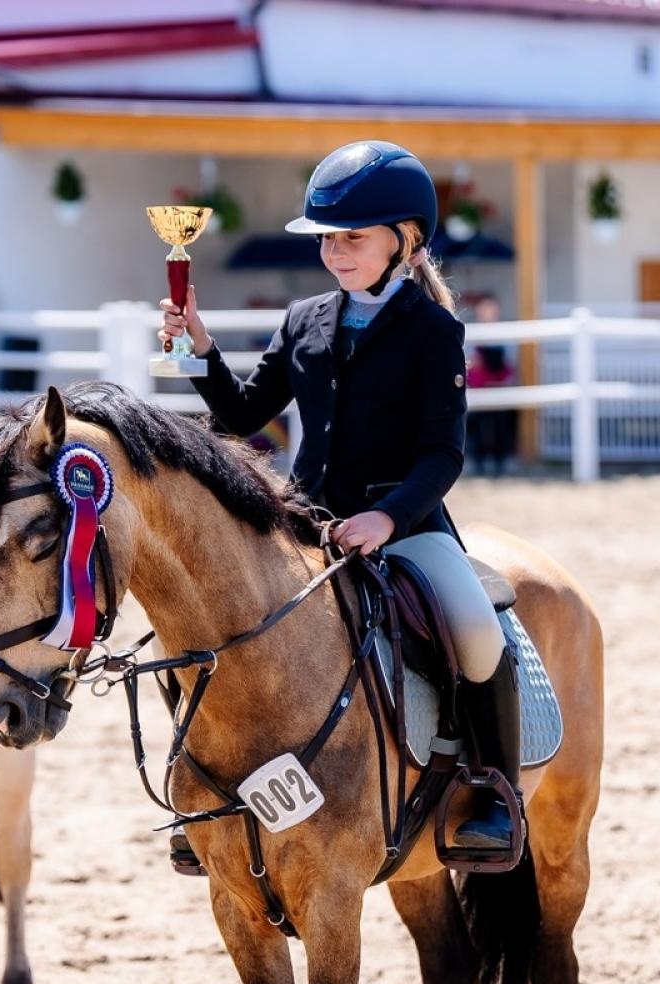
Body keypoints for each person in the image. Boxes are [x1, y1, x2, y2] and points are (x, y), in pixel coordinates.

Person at [158, 140, 522, 863]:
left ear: (406, 241)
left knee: (479, 636)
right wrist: (196, 350)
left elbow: (442, 453)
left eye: (352, 237)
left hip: (404, 521)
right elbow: (240, 415)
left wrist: (389, 517)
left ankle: (493, 790)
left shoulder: (432, 330)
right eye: (328, 238)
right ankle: (201, 791)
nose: (335, 251)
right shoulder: (304, 319)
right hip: (305, 521)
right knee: (197, 626)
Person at [465, 294, 516, 476]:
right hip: (478, 388)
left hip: (499, 387)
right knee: (478, 427)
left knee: (500, 427)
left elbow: (511, 363)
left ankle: (499, 462)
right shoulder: (470, 332)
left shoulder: (505, 334)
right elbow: (468, 362)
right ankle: (479, 462)